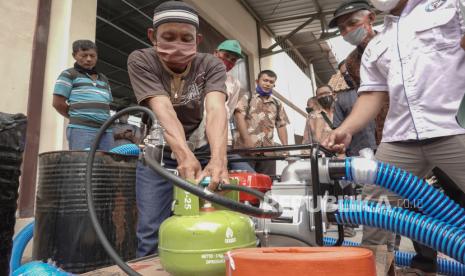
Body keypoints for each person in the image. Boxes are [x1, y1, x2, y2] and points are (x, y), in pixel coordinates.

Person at [323, 0, 465, 275]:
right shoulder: (377, 46)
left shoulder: (449, 6)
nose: (348, 30)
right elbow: (371, 94)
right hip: (399, 139)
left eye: (352, 23)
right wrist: (346, 129)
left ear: (368, 17)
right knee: (374, 213)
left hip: (452, 128)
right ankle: (376, 270)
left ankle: (428, 262)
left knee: (437, 209)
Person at [127, 1, 229, 257]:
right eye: (168, 37)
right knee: (151, 231)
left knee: (215, 221)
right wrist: (183, 155)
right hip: (160, 152)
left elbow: (216, 109)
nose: (177, 45)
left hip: (202, 150)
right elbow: (163, 110)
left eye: (186, 38)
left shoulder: (211, 65)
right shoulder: (141, 60)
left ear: (198, 39)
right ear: (153, 36)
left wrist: (219, 158)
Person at [329, 0, 388, 145]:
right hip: (386, 132)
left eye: (352, 23)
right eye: (342, 28)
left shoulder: (392, 43)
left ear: (371, 18)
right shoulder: (351, 61)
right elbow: (365, 98)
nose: (348, 30)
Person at [52, 40, 114, 150]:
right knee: (82, 163)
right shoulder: (69, 74)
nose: (89, 59)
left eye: (92, 55)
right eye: (84, 55)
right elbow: (58, 103)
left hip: (106, 130)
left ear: (97, 57)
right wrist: (78, 116)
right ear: (74, 55)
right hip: (81, 129)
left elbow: (106, 104)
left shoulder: (104, 79)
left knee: (107, 164)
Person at [234, 70, 289, 176]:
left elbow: (281, 125)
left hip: (268, 153)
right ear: (257, 81)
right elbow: (238, 117)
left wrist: (285, 147)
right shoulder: (247, 97)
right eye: (265, 80)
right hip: (246, 151)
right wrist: (247, 141)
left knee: (267, 183)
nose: (268, 84)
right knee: (248, 183)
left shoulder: (277, 104)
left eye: (271, 82)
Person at [213, 39, 254, 172]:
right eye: (226, 56)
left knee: (247, 175)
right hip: (199, 141)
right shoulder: (200, 74)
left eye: (233, 59)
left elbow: (228, 111)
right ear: (215, 53)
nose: (229, 61)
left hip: (224, 141)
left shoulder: (234, 83)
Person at [333, 60, 376, 157]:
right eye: (344, 74)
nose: (347, 75)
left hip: (383, 146)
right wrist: (342, 152)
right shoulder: (341, 98)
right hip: (356, 152)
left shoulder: (376, 88)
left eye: (348, 71)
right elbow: (338, 127)